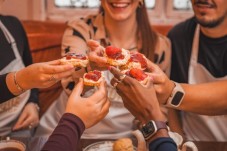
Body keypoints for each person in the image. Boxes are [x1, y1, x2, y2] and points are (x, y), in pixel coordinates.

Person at [36, 0, 171, 140]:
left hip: (124, 138)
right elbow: (69, 84)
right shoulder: (80, 29)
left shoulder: (160, 46)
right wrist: (90, 66)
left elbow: (159, 107)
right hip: (67, 132)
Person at [168, 0, 227, 141]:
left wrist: (168, 91)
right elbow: (171, 108)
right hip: (194, 144)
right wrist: (180, 142)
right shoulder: (178, 37)